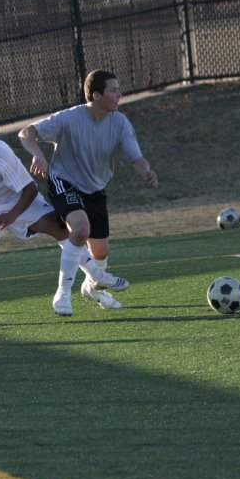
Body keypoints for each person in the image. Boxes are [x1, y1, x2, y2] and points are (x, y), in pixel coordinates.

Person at [0, 125, 128, 330]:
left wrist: (11, 216)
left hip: (21, 201)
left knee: (62, 229)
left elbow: (29, 189)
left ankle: (96, 276)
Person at [18, 69, 158, 317]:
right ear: (96, 95)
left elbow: (136, 158)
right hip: (64, 182)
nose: (119, 95)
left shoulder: (120, 122)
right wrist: (38, 154)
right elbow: (26, 133)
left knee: (101, 251)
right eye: (114, 90)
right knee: (80, 229)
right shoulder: (69, 118)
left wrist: (146, 171)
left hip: (95, 190)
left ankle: (91, 287)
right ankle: (62, 294)